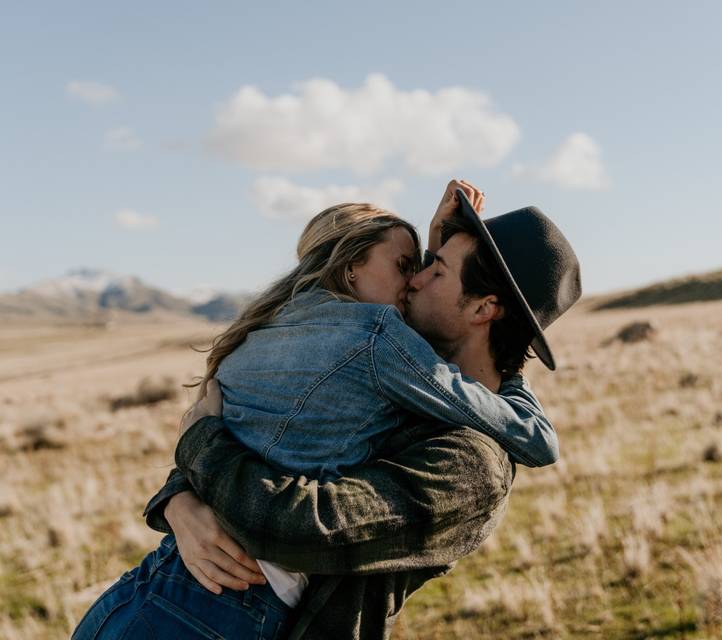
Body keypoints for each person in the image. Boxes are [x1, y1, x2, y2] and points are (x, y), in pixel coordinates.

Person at [71, 181, 564, 640]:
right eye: (410, 265)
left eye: (432, 270)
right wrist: (179, 502)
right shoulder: (382, 367)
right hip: (186, 606)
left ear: (483, 310)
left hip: (182, 607)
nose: (413, 282)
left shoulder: (471, 459)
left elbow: (299, 524)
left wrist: (199, 446)